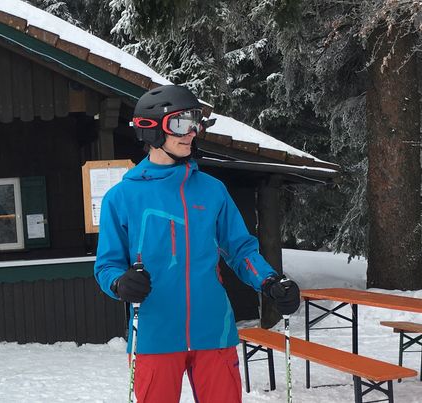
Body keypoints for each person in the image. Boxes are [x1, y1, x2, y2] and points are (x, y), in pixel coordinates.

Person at [94, 85, 302, 402]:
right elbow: (106, 266)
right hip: (155, 334)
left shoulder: (212, 191)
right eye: (180, 123)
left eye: (195, 123)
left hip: (213, 330)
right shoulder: (121, 198)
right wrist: (121, 283)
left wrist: (271, 281)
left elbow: (241, 250)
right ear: (151, 129)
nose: (191, 133)